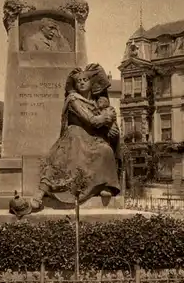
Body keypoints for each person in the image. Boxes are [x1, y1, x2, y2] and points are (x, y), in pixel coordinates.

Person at [31, 63, 120, 210]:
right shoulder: (73, 100)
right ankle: (42, 192)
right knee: (63, 156)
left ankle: (105, 185)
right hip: (75, 135)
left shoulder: (96, 103)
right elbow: (91, 120)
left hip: (91, 138)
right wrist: (106, 117)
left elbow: (106, 124)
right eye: (79, 81)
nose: (82, 82)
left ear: (92, 83)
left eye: (85, 80)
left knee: (106, 150)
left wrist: (110, 121)